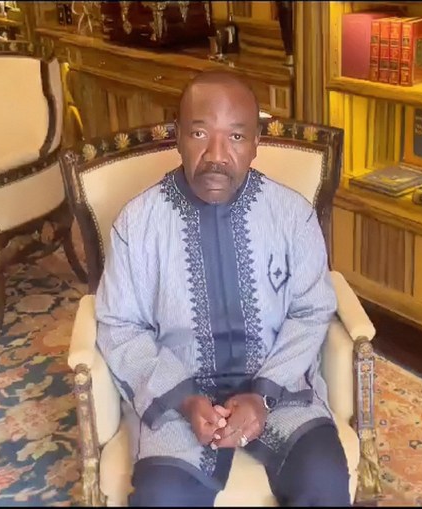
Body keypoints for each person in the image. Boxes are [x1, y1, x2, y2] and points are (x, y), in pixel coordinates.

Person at [95, 70, 350, 507]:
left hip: (281, 393)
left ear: (255, 143)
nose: (216, 155)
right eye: (199, 133)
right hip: (178, 400)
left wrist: (263, 396)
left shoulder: (292, 216)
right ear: (178, 137)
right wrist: (184, 399)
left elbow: (311, 310)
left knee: (323, 477)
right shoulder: (138, 224)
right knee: (162, 499)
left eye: (235, 136)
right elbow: (119, 324)